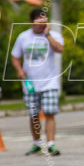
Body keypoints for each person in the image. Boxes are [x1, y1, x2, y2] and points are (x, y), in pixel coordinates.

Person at [10, 8, 64, 155]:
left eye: (43, 22)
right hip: (30, 83)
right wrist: (19, 70)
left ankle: (51, 144)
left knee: (49, 113)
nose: (41, 25)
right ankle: (37, 143)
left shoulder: (54, 35)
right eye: (38, 22)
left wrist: (47, 34)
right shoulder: (23, 37)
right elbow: (15, 56)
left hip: (49, 82)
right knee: (33, 114)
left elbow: (59, 49)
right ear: (31, 22)